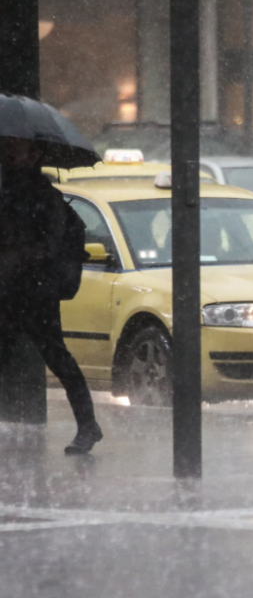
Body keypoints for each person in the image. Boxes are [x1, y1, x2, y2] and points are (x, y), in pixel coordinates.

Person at [0, 137, 102, 454]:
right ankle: (88, 426)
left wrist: (15, 257)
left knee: (58, 357)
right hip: (8, 291)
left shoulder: (46, 199)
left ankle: (88, 426)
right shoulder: (6, 193)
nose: (8, 154)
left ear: (35, 155)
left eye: (15, 149)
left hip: (35, 293)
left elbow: (49, 247)